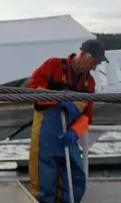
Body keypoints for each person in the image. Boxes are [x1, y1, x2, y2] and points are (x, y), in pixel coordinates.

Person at [27, 38, 107, 203]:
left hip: (68, 138)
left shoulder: (89, 83)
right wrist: (59, 99)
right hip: (45, 137)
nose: (94, 67)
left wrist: (73, 132)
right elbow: (32, 90)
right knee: (44, 183)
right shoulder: (52, 66)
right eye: (94, 62)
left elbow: (87, 116)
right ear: (83, 54)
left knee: (75, 180)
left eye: (97, 64)